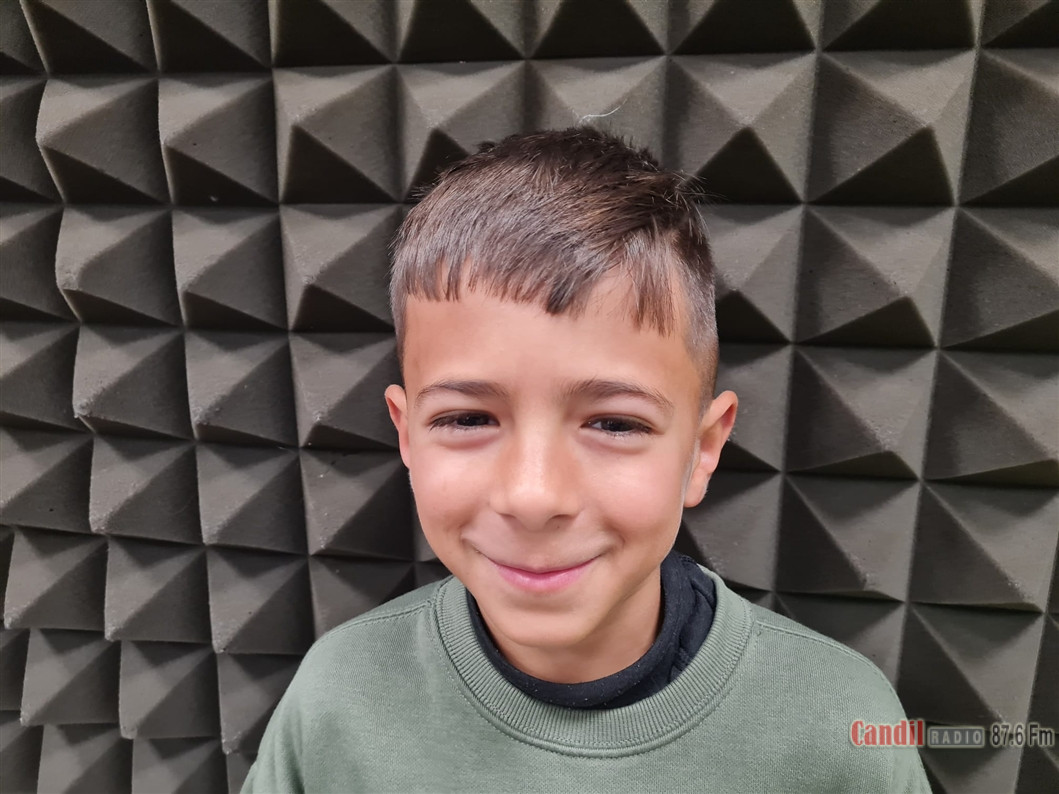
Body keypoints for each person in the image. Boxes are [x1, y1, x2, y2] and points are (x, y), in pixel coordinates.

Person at [242, 127, 931, 793]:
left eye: (614, 423)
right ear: (406, 437)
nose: (533, 496)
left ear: (702, 450)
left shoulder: (841, 724)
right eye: (467, 419)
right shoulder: (336, 698)